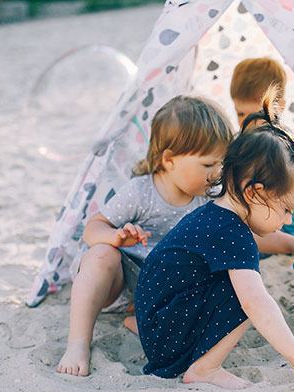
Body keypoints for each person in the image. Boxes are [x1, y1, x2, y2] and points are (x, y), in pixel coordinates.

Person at [134, 86, 294, 389]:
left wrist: (290, 244)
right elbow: (256, 304)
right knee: (248, 295)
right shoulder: (230, 232)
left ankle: (202, 357)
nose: (289, 220)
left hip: (158, 326)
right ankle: (204, 370)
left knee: (241, 286)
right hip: (166, 340)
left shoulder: (218, 215)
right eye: (288, 209)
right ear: (255, 192)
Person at [57, 95, 233, 377]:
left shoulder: (207, 200)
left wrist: (290, 243)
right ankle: (78, 342)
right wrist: (115, 237)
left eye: (222, 163)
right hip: (123, 281)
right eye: (208, 165)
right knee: (101, 254)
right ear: (169, 160)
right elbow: (93, 229)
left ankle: (141, 319)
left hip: (163, 292)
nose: (218, 173)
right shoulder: (141, 192)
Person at [230, 57, 294, 239]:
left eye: (256, 114)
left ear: (279, 108)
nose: (247, 122)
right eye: (240, 113)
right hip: (248, 226)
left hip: (285, 230)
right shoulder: (237, 142)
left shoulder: (291, 147)